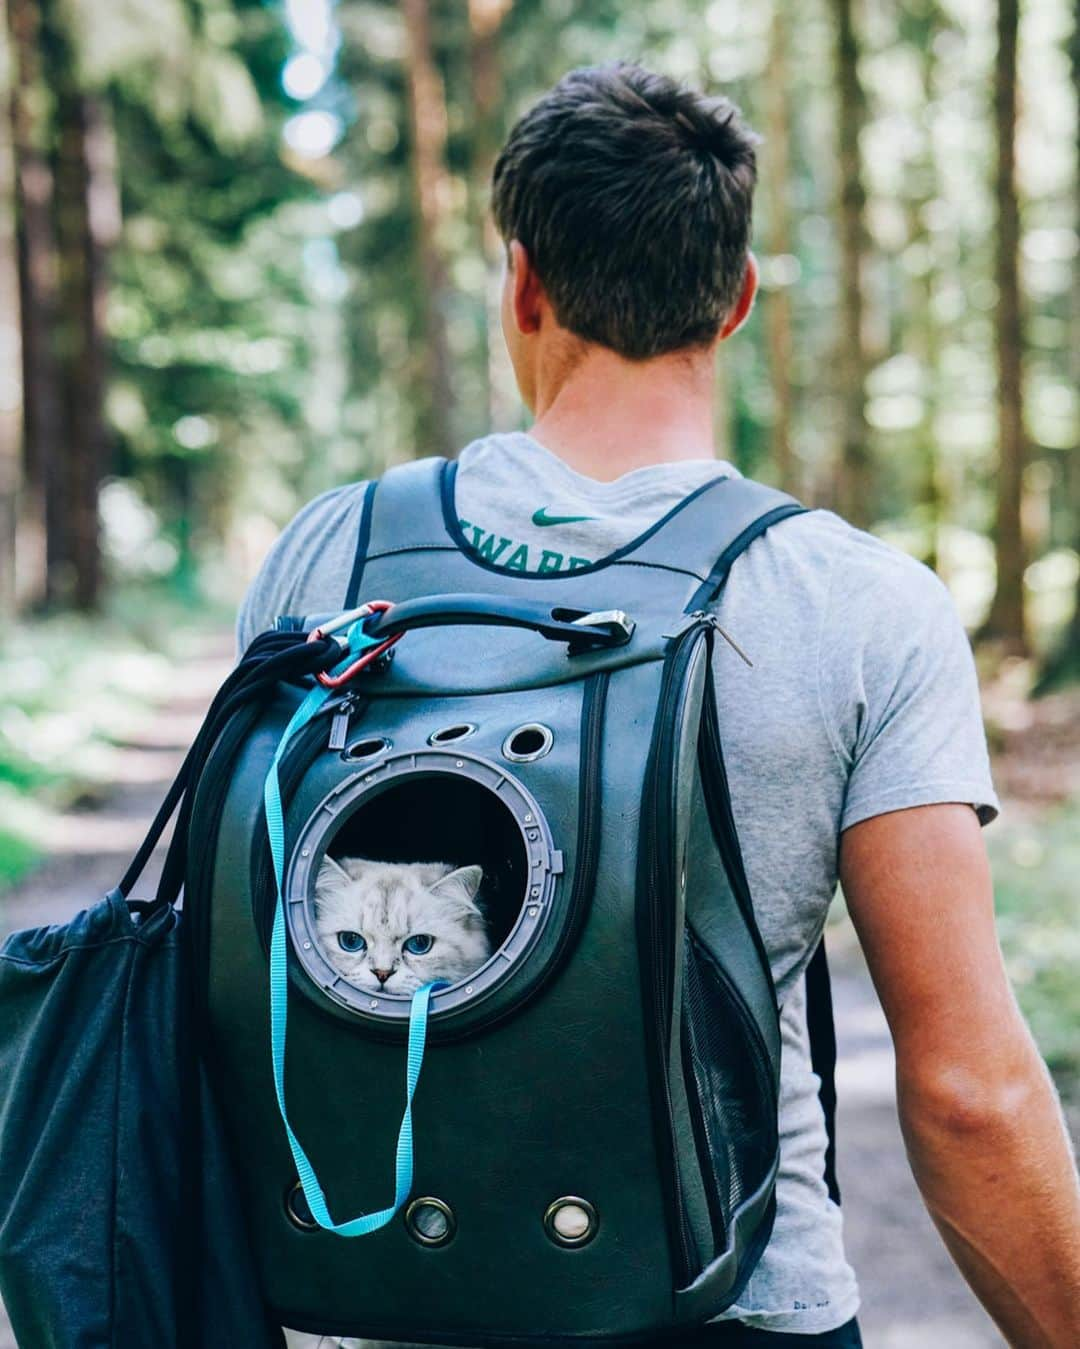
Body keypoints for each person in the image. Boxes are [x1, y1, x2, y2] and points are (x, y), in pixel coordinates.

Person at [238, 62, 1080, 1349]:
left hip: (387, 1290)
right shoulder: (857, 602)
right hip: (735, 1301)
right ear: (736, 301)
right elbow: (967, 1087)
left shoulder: (332, 556)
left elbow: (235, 970)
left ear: (521, 282)